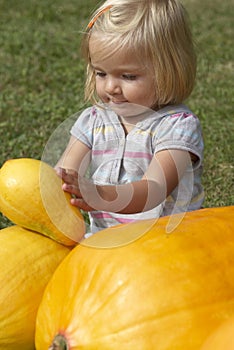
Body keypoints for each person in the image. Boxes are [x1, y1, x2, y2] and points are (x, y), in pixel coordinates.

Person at [55, 0, 204, 235]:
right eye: (101, 73)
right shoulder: (94, 120)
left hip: (166, 246)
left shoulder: (177, 126)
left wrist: (99, 194)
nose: (111, 87)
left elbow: (153, 190)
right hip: (105, 242)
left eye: (128, 76)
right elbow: (63, 176)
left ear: (169, 70)